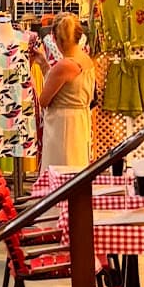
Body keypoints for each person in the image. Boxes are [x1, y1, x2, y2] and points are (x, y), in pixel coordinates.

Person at [39, 13, 96, 171]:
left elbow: (44, 100)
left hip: (62, 125)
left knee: (61, 171)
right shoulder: (86, 60)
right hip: (80, 121)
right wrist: (44, 65)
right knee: (77, 169)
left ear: (56, 39)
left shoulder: (64, 65)